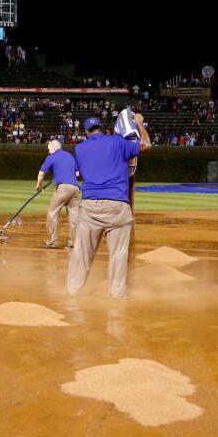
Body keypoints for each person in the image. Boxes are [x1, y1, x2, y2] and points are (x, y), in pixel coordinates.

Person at [67, 114, 151, 299]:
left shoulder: (79, 148)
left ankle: (72, 292)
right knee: (118, 254)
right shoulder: (117, 142)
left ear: (87, 132)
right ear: (103, 129)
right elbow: (146, 145)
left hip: (90, 206)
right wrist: (138, 122)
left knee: (81, 253)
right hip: (117, 206)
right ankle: (117, 294)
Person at [37, 138, 80, 249]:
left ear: (55, 147)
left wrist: (39, 185)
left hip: (63, 188)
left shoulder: (52, 157)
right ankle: (73, 243)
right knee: (73, 215)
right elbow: (77, 173)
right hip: (75, 188)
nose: (48, 151)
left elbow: (41, 174)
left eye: (49, 149)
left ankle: (52, 242)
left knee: (52, 212)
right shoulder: (70, 156)